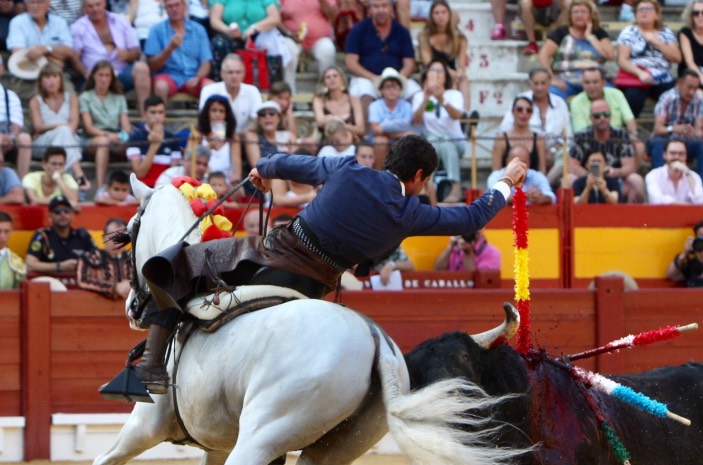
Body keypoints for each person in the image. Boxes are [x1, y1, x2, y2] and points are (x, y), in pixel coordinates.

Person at [129, 134, 526, 393]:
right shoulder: (411, 212)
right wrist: (506, 182)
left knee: (177, 260)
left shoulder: (348, 169)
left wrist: (262, 170)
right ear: (419, 176)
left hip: (274, 255)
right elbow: (474, 216)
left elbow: (288, 162)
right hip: (317, 288)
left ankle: (152, 365)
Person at [70, 0, 151, 117]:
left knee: (142, 68)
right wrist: (85, 72)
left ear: (104, 4)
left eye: (98, 4)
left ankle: (144, 117)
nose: (95, 9)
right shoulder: (77, 27)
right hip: (94, 77)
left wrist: (127, 55)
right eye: (90, 6)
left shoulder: (121, 21)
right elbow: (75, 58)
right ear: (85, 8)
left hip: (121, 74)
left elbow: (136, 52)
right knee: (97, 77)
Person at [344, 0, 420, 112]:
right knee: (365, 95)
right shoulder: (358, 30)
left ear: (391, 9)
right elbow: (350, 63)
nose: (380, 10)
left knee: (418, 97)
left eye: (384, 6)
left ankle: (420, 129)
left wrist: (396, 80)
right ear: (370, 10)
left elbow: (409, 63)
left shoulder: (402, 32)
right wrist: (374, 78)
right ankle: (366, 129)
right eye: (376, 6)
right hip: (367, 78)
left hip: (398, 77)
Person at [207, 0, 299, 90]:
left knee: (277, 47)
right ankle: (221, 87)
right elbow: (214, 20)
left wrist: (254, 28)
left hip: (259, 34)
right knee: (219, 44)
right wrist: (227, 30)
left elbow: (275, 18)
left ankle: (273, 88)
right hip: (230, 35)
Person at [568, 98, 644, 203]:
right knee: (568, 179)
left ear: (611, 116)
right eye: (597, 116)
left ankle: (631, 217)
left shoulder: (621, 135)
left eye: (606, 114)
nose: (602, 118)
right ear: (590, 118)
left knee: (636, 180)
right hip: (586, 179)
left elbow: (630, 167)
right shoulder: (581, 136)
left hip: (616, 179)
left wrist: (614, 173)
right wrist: (593, 177)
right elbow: (572, 166)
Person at [614, 0, 680, 118]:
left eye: (648, 9)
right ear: (635, 14)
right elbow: (622, 60)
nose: (644, 12)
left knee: (674, 99)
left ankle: (669, 131)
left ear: (657, 14)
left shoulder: (665, 32)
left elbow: (677, 57)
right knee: (633, 99)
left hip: (661, 78)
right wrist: (640, 73)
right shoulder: (629, 32)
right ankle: (630, 133)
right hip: (636, 77)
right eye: (640, 9)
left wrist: (657, 42)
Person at [537, 0, 614, 100]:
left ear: (591, 15)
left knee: (611, 94)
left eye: (583, 12)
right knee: (552, 95)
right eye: (575, 12)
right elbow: (543, 55)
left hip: (594, 80)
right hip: (566, 79)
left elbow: (610, 55)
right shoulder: (561, 32)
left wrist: (590, 37)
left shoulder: (599, 33)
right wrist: (552, 78)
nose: (579, 15)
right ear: (570, 15)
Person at [411, 59, 465, 203]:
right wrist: (426, 98)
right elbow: (415, 121)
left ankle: (456, 186)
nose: (436, 74)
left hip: (454, 141)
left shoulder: (454, 94)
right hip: (431, 140)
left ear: (446, 75)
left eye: (440, 71)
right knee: (430, 145)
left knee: (446, 142)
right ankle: (428, 187)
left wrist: (442, 99)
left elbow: (456, 116)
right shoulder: (419, 96)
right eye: (433, 70)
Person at [29, 62, 89, 189]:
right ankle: (78, 174)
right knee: (64, 131)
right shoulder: (35, 101)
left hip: (69, 138)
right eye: (47, 77)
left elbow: (73, 124)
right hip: (43, 142)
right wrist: (61, 125)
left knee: (65, 132)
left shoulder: (72, 98)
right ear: (41, 81)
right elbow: (38, 126)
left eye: (54, 76)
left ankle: (59, 179)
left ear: (61, 80)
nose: (51, 81)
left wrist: (56, 126)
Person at [501, 67, 573, 173]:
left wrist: (552, 150)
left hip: (553, 152)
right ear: (530, 83)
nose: (539, 88)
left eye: (543, 83)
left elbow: (568, 136)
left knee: (566, 155)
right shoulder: (521, 100)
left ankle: (546, 183)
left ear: (549, 83)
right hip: (528, 149)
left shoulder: (560, 103)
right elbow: (505, 128)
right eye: (536, 83)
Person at [648, 69, 703, 183]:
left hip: (686, 141)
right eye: (689, 87)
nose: (692, 92)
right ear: (679, 83)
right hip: (666, 139)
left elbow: (698, 128)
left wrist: (700, 133)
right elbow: (657, 129)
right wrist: (674, 129)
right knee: (657, 142)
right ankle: (659, 184)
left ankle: (702, 187)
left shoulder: (699, 99)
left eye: (695, 88)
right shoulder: (666, 98)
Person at [145, 0, 214, 102]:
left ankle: (206, 118)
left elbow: (206, 62)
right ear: (165, 9)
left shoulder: (199, 30)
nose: (174, 9)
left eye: (177, 5)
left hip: (193, 76)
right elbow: (152, 65)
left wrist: (198, 77)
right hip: (168, 76)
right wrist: (169, 49)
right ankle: (160, 117)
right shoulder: (156, 30)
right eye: (170, 6)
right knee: (160, 86)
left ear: (184, 5)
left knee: (210, 87)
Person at [79, 60, 132, 191]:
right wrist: (109, 136)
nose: (104, 79)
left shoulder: (119, 98)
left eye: (107, 75)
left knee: (135, 145)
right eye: (100, 75)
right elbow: (88, 127)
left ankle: (135, 187)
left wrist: (122, 136)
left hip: (116, 136)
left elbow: (126, 127)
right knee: (103, 142)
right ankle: (100, 188)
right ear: (93, 76)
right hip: (93, 138)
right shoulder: (84, 97)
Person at [6, 0, 73, 102]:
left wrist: (45, 49)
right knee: (42, 98)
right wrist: (54, 59)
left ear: (48, 4)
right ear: (26, 4)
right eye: (32, 2)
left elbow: (68, 51)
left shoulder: (59, 22)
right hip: (27, 77)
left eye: (40, 2)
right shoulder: (17, 22)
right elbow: (18, 54)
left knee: (70, 97)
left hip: (56, 76)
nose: (35, 6)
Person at [25, 194, 97, 278]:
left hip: (80, 284)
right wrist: (60, 266)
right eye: (57, 211)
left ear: (72, 215)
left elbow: (99, 259)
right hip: (51, 284)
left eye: (66, 211)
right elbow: (29, 265)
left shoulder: (82, 235)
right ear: (50, 217)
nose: (62, 214)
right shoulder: (43, 236)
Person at [417, 0, 469, 110]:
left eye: (443, 12)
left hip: (452, 72)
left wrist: (459, 72)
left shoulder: (459, 38)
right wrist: (447, 71)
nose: (440, 16)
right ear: (431, 16)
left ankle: (465, 115)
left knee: (462, 78)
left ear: (449, 14)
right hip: (433, 71)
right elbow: (428, 62)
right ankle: (431, 111)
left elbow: (462, 64)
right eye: (436, 13)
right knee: (436, 76)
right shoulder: (424, 36)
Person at [198, 54, 262, 136]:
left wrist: (239, 137)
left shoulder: (253, 91)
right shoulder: (209, 90)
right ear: (222, 74)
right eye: (230, 72)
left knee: (251, 136)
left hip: (243, 138)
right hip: (214, 136)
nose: (234, 76)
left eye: (238, 72)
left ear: (244, 74)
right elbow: (203, 119)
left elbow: (256, 120)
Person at [127, 95, 184, 187]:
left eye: (160, 112)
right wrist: (154, 145)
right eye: (153, 112)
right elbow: (140, 173)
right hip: (143, 190)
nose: (157, 116)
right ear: (145, 114)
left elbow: (173, 174)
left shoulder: (173, 139)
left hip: (165, 190)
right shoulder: (135, 138)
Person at [75, 215, 134, 298]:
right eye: (111, 238)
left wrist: (131, 285)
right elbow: (82, 281)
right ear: (104, 238)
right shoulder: (90, 258)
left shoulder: (134, 259)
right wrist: (115, 287)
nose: (116, 243)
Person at [369, 68, 416, 169]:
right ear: (381, 90)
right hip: (383, 140)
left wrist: (384, 127)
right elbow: (376, 130)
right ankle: (379, 175)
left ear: (400, 90)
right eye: (388, 87)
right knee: (380, 141)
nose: (391, 90)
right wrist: (399, 130)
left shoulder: (407, 105)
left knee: (409, 137)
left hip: (400, 139)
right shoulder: (375, 106)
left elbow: (408, 126)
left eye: (394, 87)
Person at [188, 93, 242, 183]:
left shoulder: (233, 137)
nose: (218, 114)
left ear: (226, 114)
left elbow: (237, 172)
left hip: (226, 184)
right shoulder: (197, 134)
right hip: (202, 181)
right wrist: (208, 147)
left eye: (221, 111)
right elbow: (189, 162)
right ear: (207, 113)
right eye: (214, 110)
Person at [280, 0, 339, 77]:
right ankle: (288, 88)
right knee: (288, 50)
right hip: (293, 38)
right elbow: (276, 18)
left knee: (328, 49)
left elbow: (333, 15)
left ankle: (325, 86)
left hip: (319, 38)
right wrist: (289, 34)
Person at [492, 96, 547, 175]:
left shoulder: (539, 139)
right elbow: (496, 173)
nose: (524, 113)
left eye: (528, 110)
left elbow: (542, 172)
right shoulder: (501, 139)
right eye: (520, 109)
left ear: (531, 114)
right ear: (513, 111)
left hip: (532, 185)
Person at [0, 54, 34, 180]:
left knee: (24, 138)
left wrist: (11, 137)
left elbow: (17, 123)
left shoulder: (11, 96)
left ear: (2, 70)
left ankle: (20, 184)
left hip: (7, 135)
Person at [486, 145, 555, 206]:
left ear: (529, 162)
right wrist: (521, 197)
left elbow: (551, 197)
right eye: (515, 162)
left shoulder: (538, 176)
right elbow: (493, 198)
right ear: (507, 162)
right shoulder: (496, 176)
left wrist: (543, 198)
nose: (519, 166)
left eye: (523, 162)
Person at [645, 137, 703, 205]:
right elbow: (657, 200)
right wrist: (687, 206)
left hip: (688, 215)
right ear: (665, 155)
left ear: (686, 156)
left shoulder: (693, 176)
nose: (677, 157)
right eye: (673, 153)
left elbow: (700, 201)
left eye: (681, 153)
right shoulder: (654, 175)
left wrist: (687, 172)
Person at [311, 65, 366, 141]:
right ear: (324, 82)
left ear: (342, 79)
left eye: (335, 76)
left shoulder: (354, 100)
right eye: (328, 77)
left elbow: (361, 129)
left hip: (353, 141)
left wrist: (336, 121)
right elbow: (320, 122)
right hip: (328, 141)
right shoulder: (319, 100)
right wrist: (347, 125)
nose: (332, 79)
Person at [434, 228, 501, 272]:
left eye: (477, 226)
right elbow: (438, 270)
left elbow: (477, 281)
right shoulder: (456, 247)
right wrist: (450, 246)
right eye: (469, 226)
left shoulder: (491, 253)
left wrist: (467, 253)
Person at [0, 210, 27, 290]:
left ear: (11, 232)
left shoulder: (16, 262)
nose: (2, 236)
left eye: (6, 231)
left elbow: (19, 293)